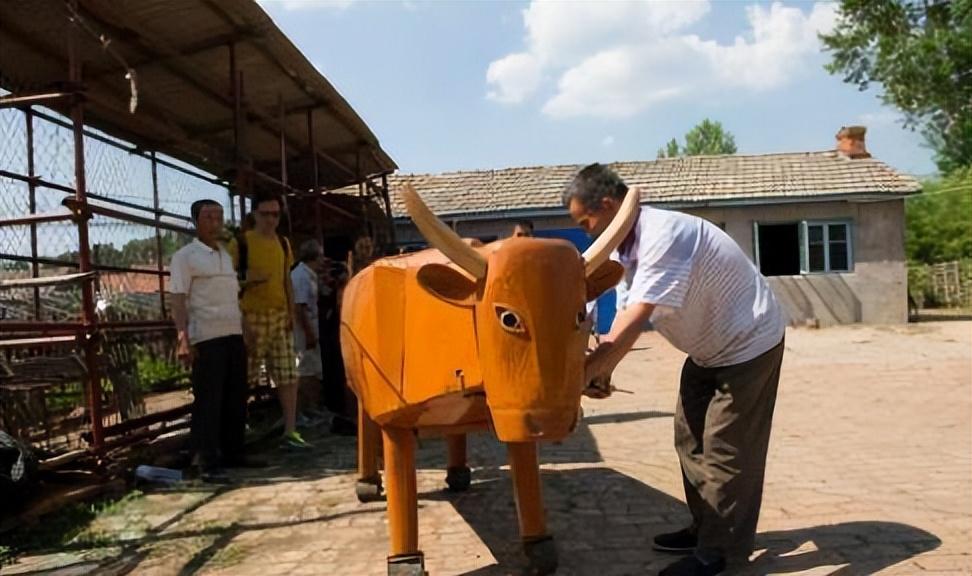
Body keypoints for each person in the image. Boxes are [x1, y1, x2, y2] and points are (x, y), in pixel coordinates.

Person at [564, 164, 786, 576]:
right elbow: (617, 310)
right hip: (708, 351)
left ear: (608, 205)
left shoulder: (662, 235)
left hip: (748, 344)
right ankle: (707, 528)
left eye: (585, 221)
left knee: (726, 449)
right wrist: (601, 368)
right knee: (689, 438)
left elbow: (639, 313)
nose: (587, 231)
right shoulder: (621, 247)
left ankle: (720, 553)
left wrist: (582, 375)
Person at [170, 200, 255, 482]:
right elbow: (179, 299)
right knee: (209, 399)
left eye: (219, 216)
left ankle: (234, 452)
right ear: (196, 221)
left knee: (236, 396)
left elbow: (233, 296)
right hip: (206, 337)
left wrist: (245, 328)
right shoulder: (186, 257)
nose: (216, 222)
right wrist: (183, 337)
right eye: (209, 217)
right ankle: (204, 460)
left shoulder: (225, 256)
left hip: (232, 333)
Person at [231, 191, 311, 450]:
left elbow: (286, 280)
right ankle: (235, 434)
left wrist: (289, 313)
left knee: (288, 374)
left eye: (275, 214)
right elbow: (226, 279)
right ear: (254, 214)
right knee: (245, 377)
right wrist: (247, 280)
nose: (270, 219)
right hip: (251, 315)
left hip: (279, 316)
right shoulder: (241, 243)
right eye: (265, 214)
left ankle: (290, 430)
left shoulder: (284, 244)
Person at [292, 239, 325, 420]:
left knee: (313, 369)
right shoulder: (301, 276)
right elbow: (299, 307)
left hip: (312, 325)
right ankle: (302, 410)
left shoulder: (310, 275)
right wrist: (309, 334)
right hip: (304, 329)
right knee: (305, 370)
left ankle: (311, 407)